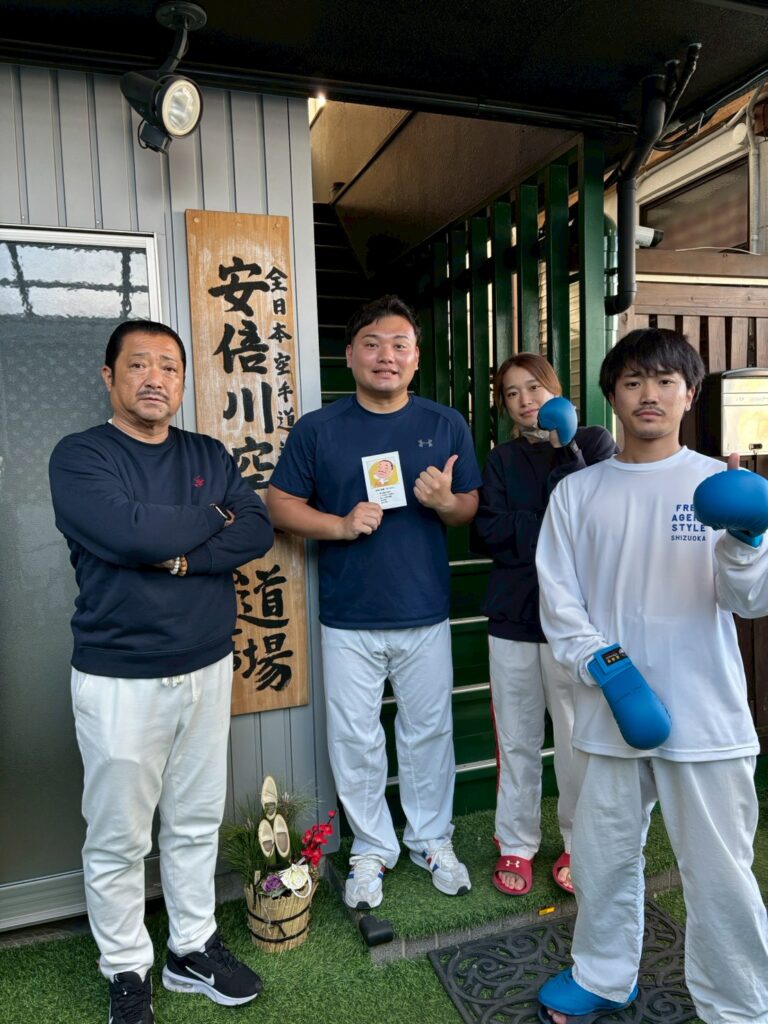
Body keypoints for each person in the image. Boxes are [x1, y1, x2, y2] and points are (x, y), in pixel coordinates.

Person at [535, 328, 768, 1024]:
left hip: (706, 709)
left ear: (689, 395)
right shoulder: (577, 492)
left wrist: (748, 540)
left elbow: (749, 601)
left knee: (720, 872)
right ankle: (603, 975)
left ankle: (739, 1005)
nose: (650, 394)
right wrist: (608, 671)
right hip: (611, 709)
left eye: (666, 381)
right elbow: (559, 602)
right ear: (611, 396)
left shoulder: (716, 484)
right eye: (633, 381)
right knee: (601, 858)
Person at [48, 320, 274, 1024]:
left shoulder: (207, 452)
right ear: (109, 376)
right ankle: (126, 966)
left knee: (196, 818)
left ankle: (191, 948)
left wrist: (177, 555)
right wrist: (211, 516)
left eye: (169, 367)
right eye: (139, 364)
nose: (155, 378)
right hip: (120, 675)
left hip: (207, 663)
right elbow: (129, 532)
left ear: (182, 380)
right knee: (119, 835)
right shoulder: (81, 456)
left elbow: (256, 528)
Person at [266, 295, 483, 910]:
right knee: (355, 737)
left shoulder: (445, 423)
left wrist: (446, 502)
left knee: (429, 732)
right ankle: (371, 846)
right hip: (348, 616)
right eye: (372, 344)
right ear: (349, 355)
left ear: (416, 358)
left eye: (399, 345)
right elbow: (278, 503)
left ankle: (431, 838)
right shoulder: (319, 428)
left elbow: (469, 505)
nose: (386, 355)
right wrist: (338, 525)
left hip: (425, 611)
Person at [472, 354, 616, 898]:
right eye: (512, 393)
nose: (525, 400)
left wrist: (565, 451)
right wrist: (551, 527)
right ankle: (516, 841)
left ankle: (580, 840)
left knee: (578, 738)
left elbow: (595, 523)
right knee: (517, 738)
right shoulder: (501, 459)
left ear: (555, 388)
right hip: (513, 616)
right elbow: (488, 534)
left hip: (574, 621)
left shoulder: (594, 444)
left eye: (534, 387)